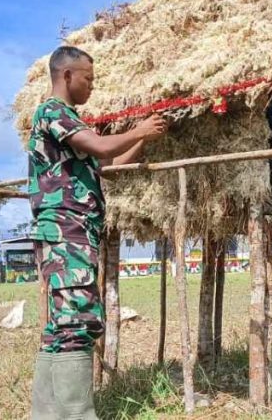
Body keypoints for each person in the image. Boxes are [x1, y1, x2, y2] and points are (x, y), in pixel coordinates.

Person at [27, 46, 166, 419]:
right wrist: (138, 128)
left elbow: (107, 163)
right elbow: (101, 145)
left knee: (63, 326)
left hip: (74, 231)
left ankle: (47, 415)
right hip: (64, 230)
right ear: (66, 75)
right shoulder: (52, 112)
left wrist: (144, 137)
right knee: (77, 320)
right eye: (88, 78)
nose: (92, 85)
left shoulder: (72, 122)